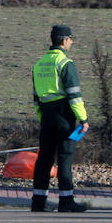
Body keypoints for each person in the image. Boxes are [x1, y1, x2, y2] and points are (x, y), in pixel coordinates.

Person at [30, 25, 90, 212]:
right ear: (64, 40)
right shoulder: (65, 63)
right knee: (65, 156)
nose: (71, 42)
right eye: (71, 39)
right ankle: (66, 200)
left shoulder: (39, 64)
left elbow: (36, 97)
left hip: (46, 115)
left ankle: (38, 201)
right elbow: (74, 95)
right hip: (64, 115)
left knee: (44, 158)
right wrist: (83, 119)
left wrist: (42, 116)